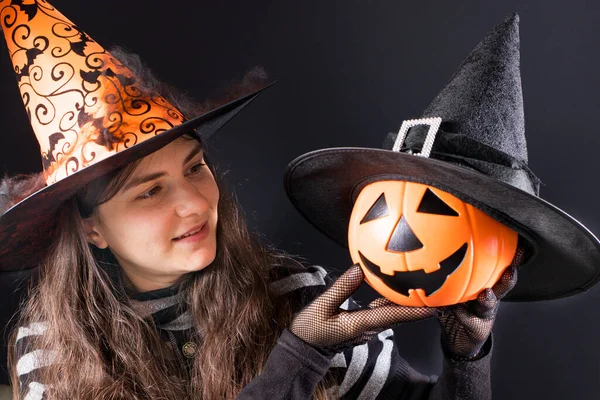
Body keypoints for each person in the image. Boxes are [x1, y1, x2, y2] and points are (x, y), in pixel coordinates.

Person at [0, 2, 522, 399]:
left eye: (195, 168)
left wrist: (466, 352)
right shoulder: (48, 349)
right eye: (151, 190)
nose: (196, 203)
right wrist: (300, 354)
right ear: (91, 227)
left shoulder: (293, 294)